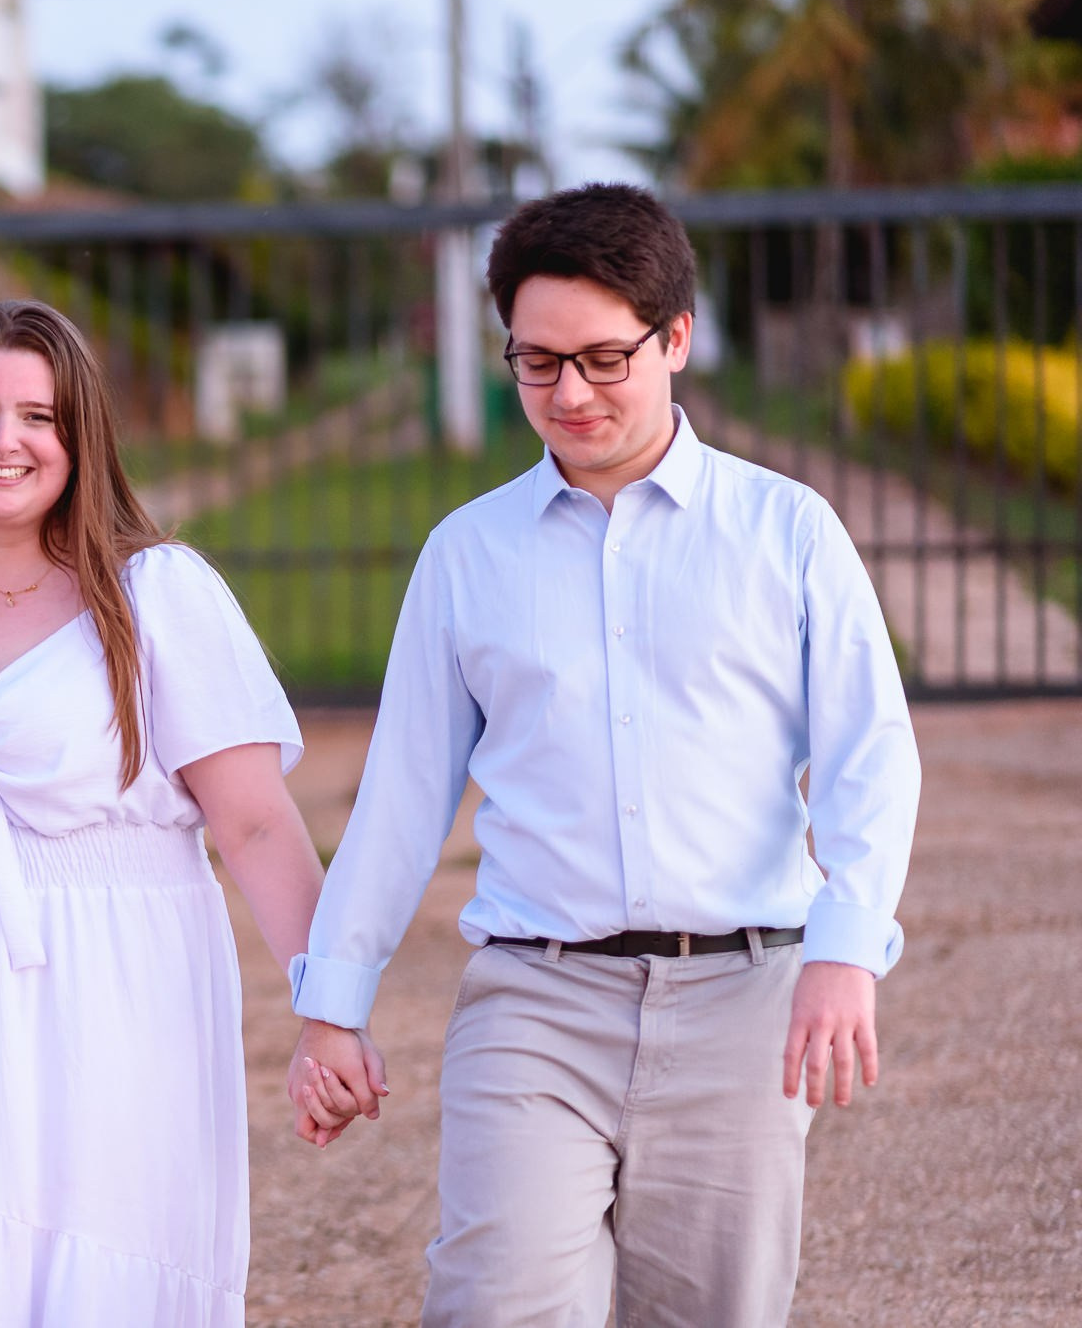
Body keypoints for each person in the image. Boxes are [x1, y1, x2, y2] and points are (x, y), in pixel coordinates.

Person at [286, 183, 922, 1326]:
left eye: (600, 358)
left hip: (741, 995)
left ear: (675, 338)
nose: (567, 393)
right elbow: (401, 795)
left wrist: (846, 944)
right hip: (534, 998)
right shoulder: (465, 554)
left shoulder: (785, 532)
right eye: (535, 363)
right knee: (493, 1304)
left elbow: (869, 752)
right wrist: (333, 1000)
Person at [0, 298, 340, 1326]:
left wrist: (331, 1003)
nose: (4, 440)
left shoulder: (155, 593)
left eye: (38, 417)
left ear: (80, 435)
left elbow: (257, 825)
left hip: (114, 1008)